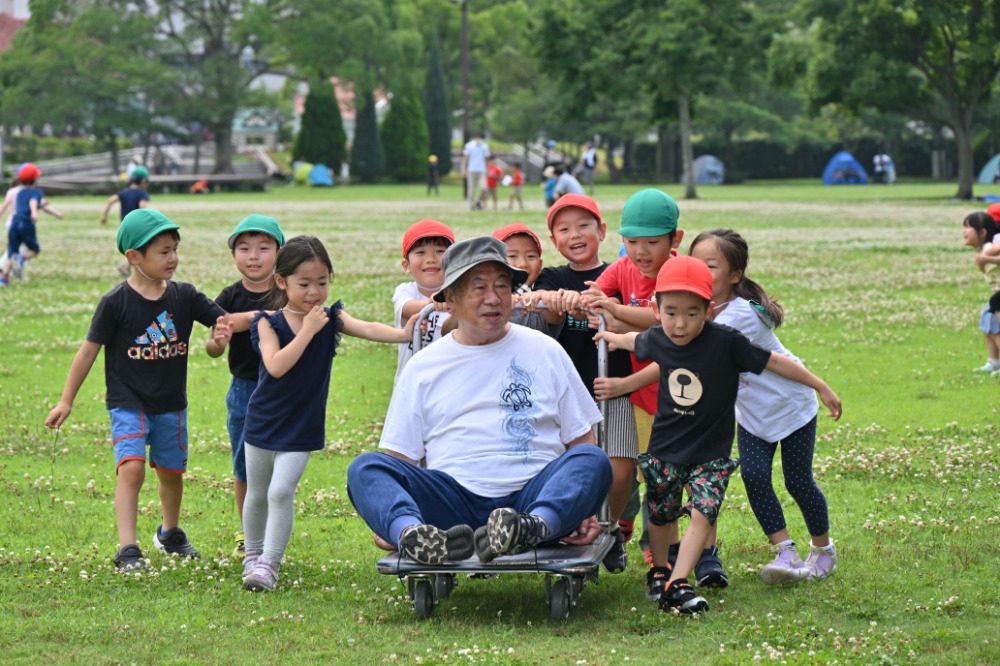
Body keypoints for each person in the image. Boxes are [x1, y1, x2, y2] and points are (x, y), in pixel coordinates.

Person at [596, 256, 842, 614]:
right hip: (666, 448)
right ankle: (661, 570)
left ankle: (677, 584)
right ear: (656, 309)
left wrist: (820, 385)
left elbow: (773, 361)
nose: (680, 324)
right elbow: (639, 341)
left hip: (711, 452)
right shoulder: (659, 337)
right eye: (671, 313)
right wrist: (613, 337)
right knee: (661, 513)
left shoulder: (726, 341)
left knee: (703, 511)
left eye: (692, 314)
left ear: (709, 310)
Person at [347, 236, 613, 568]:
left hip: (532, 496)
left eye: (503, 286)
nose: (493, 298)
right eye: (479, 288)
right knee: (366, 469)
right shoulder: (424, 366)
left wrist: (581, 505)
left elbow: (580, 439)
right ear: (451, 300)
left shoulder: (545, 350)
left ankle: (533, 527)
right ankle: (412, 535)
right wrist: (390, 512)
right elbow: (400, 459)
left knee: (593, 458)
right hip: (452, 501)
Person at [44, 209, 236, 571]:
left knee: (171, 473)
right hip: (128, 402)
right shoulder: (114, 302)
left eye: (175, 249)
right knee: (131, 468)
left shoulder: (186, 296)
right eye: (163, 251)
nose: (174, 258)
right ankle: (128, 548)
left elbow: (221, 325)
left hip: (170, 403)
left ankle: (170, 533)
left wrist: (218, 342)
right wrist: (66, 400)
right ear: (134, 257)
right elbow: (88, 351)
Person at [239, 235, 415, 592]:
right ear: (281, 282)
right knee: (257, 492)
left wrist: (402, 334)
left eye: (322, 282)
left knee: (281, 491)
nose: (314, 292)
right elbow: (275, 366)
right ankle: (252, 555)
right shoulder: (267, 322)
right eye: (304, 284)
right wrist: (307, 331)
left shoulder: (330, 317)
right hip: (262, 422)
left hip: (301, 427)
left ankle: (269, 564)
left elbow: (366, 327)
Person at [690, 228, 840, 584]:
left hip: (791, 407)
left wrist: (820, 385)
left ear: (734, 275)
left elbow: (774, 361)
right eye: (693, 264)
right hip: (754, 416)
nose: (700, 272)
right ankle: (786, 552)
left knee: (798, 482)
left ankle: (823, 550)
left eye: (710, 266)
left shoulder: (737, 318)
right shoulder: (700, 310)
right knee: (756, 477)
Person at [531, 195, 639, 574]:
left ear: (602, 231)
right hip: (569, 395)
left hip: (617, 385)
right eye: (564, 229)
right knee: (573, 468)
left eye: (583, 226)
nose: (574, 234)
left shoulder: (620, 272)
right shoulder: (555, 278)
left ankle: (614, 529)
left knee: (621, 470)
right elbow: (540, 300)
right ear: (554, 240)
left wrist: (603, 306)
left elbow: (630, 309)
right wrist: (559, 300)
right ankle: (579, 527)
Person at [205, 215, 286, 559]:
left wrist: (248, 320)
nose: (253, 256)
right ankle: (248, 533)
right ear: (233, 254)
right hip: (243, 390)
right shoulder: (228, 296)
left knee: (279, 468)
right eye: (244, 248)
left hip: (282, 389)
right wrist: (218, 341)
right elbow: (212, 347)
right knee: (244, 467)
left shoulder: (287, 291)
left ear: (279, 253)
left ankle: (274, 533)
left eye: (263, 248)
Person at [392, 219, 456, 384]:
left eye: (440, 251)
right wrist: (431, 303)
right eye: (421, 252)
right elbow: (406, 308)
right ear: (406, 266)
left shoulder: (460, 295)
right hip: (412, 385)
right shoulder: (405, 291)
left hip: (449, 383)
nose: (431, 259)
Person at [492, 222, 561, 338]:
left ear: (540, 266)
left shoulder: (538, 302)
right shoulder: (483, 301)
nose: (522, 264)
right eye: (512, 256)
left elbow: (556, 317)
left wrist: (544, 301)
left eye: (530, 256)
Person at [0, 163, 63, 287]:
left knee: (12, 252)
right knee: (34, 249)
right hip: (26, 224)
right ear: (35, 179)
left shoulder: (18, 192)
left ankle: (4, 279)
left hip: (14, 223)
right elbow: (33, 202)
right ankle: (21, 260)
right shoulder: (36, 192)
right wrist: (34, 213)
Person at [962, 212, 1000, 374]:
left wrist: (986, 259)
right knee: (987, 319)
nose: (964, 231)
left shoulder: (990, 248)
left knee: (995, 320)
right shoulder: (983, 250)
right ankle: (994, 361)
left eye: (968, 227)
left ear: (982, 233)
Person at [462, 132, 491, 210]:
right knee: (471, 189)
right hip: (471, 169)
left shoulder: (485, 146)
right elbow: (465, 158)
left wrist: (487, 169)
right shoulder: (469, 146)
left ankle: (478, 202)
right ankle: (472, 205)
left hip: (481, 170)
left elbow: (486, 159)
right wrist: (464, 169)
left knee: (484, 188)